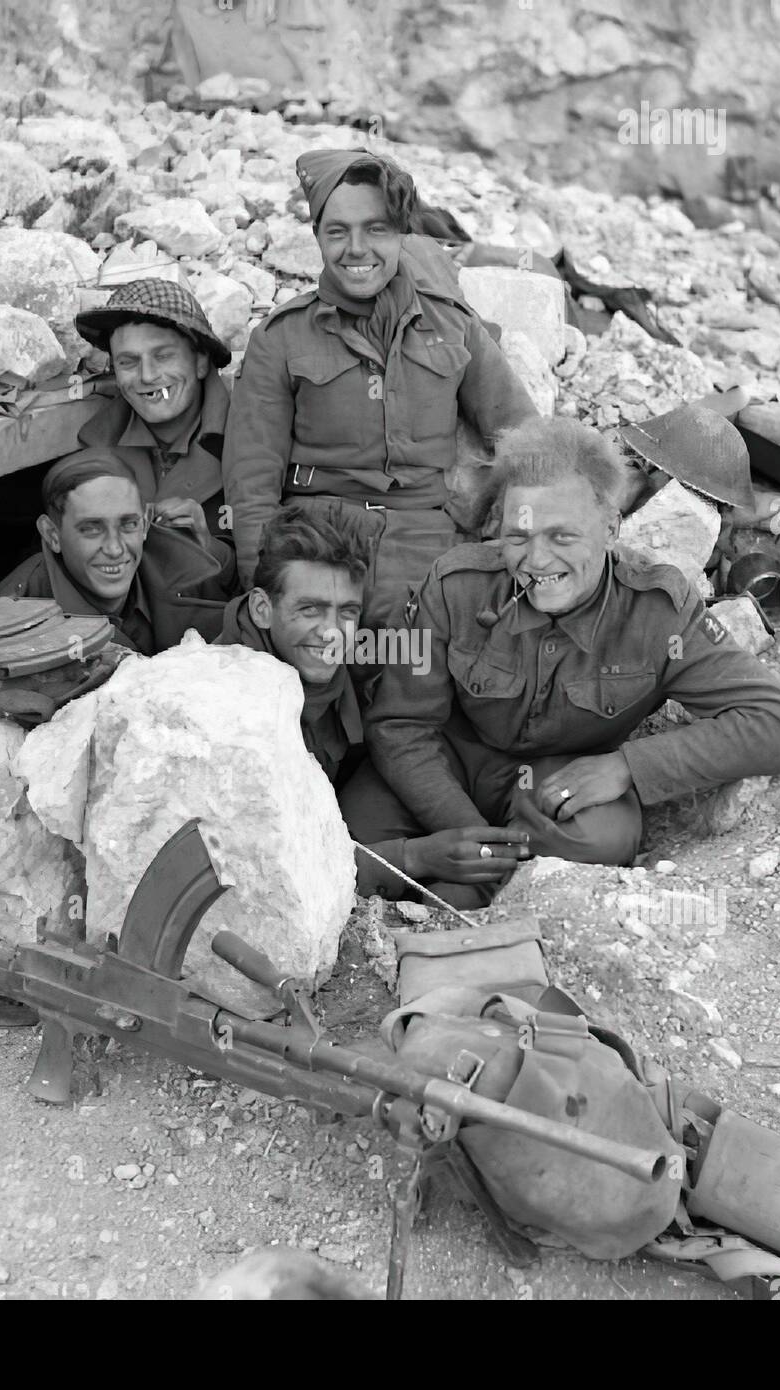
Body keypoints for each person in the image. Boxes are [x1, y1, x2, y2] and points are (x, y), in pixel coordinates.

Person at [358, 416, 780, 906]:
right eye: (518, 537)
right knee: (354, 838)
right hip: (447, 764)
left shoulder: (657, 610)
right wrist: (461, 829)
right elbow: (402, 727)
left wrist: (625, 767)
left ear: (611, 528)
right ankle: (462, 876)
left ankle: (466, 886)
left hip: (554, 785)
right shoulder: (455, 587)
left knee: (602, 836)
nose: (535, 560)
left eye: (562, 537)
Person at [223, 148, 539, 631]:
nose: (357, 248)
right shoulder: (280, 337)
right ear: (317, 236)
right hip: (316, 538)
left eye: (376, 228)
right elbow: (252, 478)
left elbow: (526, 440)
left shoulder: (454, 327)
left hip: (427, 540)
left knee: (442, 666)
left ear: (400, 234)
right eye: (337, 231)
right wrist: (260, 583)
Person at [216, 505, 533, 901]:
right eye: (309, 609)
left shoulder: (355, 652)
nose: (332, 633)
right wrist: (414, 858)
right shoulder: (228, 707)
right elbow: (252, 868)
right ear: (264, 609)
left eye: (346, 611)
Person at [74, 277, 236, 591]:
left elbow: (276, 578)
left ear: (201, 361)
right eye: (128, 362)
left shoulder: (249, 439)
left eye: (163, 356)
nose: (147, 376)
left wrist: (208, 546)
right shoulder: (96, 448)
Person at [0, 450, 228, 656]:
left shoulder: (184, 565)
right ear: (52, 535)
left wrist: (207, 545)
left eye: (128, 524)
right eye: (91, 529)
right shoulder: (10, 621)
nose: (114, 548)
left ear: (144, 524)